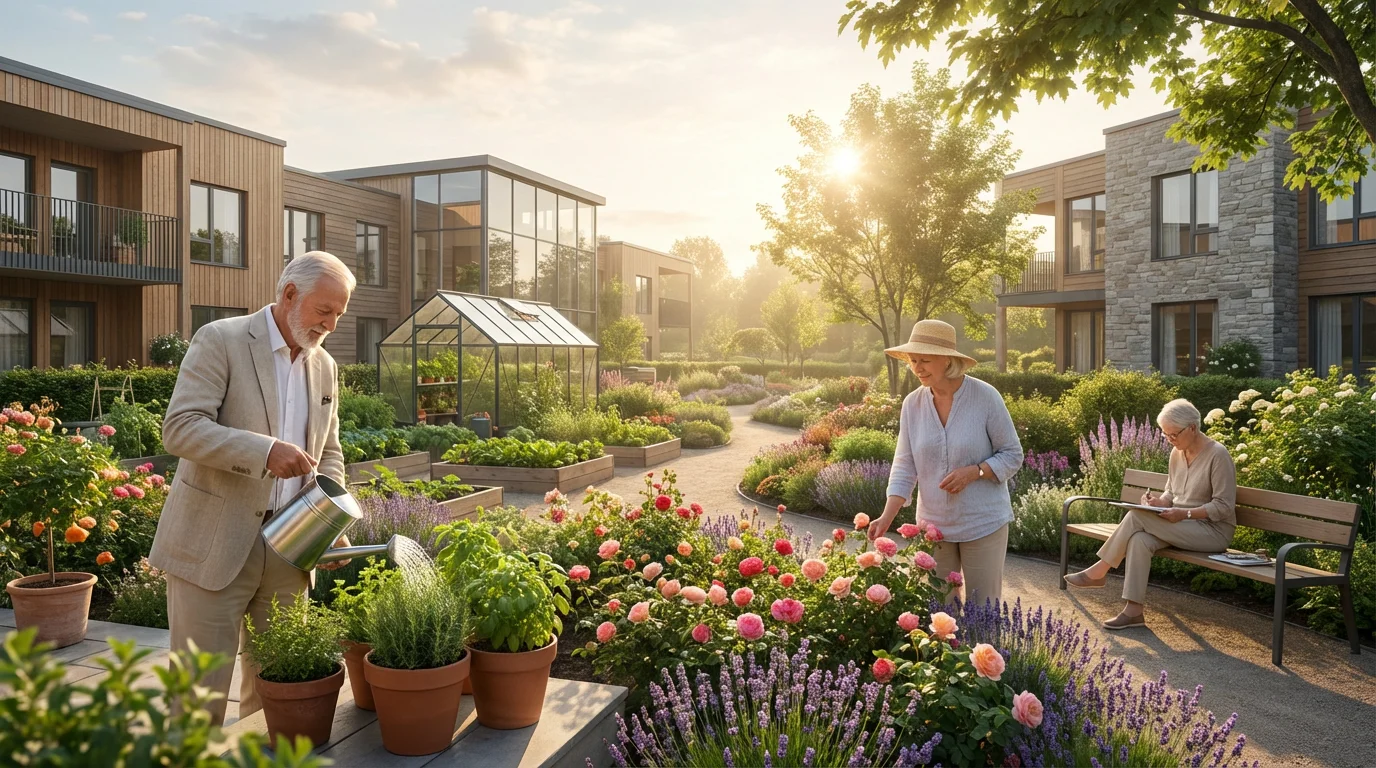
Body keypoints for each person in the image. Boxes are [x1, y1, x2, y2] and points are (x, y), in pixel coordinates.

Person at [149, 251, 357, 725]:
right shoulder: (220, 339)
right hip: (213, 544)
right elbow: (180, 428)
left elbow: (329, 453)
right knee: (197, 698)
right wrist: (264, 451)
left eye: (339, 314)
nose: (332, 324)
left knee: (279, 692)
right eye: (324, 311)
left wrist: (332, 523)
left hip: (291, 548)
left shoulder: (325, 366)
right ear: (289, 295)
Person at [868, 319, 1024, 606]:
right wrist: (886, 517)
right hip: (934, 526)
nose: (918, 367)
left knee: (983, 611)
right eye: (913, 360)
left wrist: (975, 471)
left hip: (983, 522)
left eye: (925, 359)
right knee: (941, 613)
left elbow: (1012, 454)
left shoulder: (985, 397)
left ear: (949, 361)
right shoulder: (912, 404)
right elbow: (904, 464)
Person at [1064, 398, 1237, 629]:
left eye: (1173, 434)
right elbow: (1171, 492)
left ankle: (1099, 570)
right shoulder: (1177, 453)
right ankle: (1133, 611)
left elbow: (1224, 506)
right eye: (1166, 435)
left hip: (1212, 532)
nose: (1169, 440)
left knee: (1136, 516)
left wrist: (1183, 514)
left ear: (1193, 428)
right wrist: (1158, 502)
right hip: (1181, 527)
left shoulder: (1218, 455)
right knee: (1140, 539)